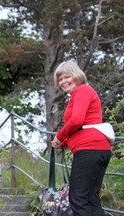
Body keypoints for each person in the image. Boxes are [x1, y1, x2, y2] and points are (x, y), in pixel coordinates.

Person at [51, 60, 112, 216]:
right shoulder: (79, 94)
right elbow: (81, 126)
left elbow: (77, 120)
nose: (63, 82)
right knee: (90, 199)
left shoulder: (82, 90)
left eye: (66, 77)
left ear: (76, 75)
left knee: (78, 199)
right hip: (97, 149)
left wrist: (59, 135)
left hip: (89, 149)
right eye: (60, 79)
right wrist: (63, 142)